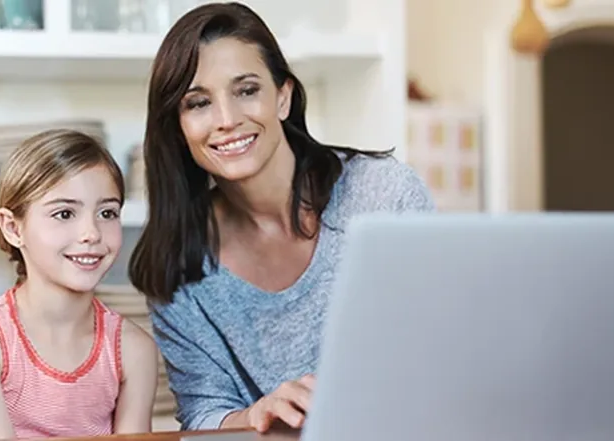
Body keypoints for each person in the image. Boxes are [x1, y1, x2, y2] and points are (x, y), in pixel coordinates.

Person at [127, 1, 436, 434]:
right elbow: (203, 412)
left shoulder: (382, 195)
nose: (227, 120)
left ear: (283, 97)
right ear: (178, 127)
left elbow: (440, 349)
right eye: (198, 103)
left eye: (247, 90)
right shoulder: (178, 261)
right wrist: (254, 415)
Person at [0, 129, 158, 441]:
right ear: (12, 228)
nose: (91, 233)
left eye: (107, 213)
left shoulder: (133, 350)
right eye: (64, 213)